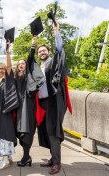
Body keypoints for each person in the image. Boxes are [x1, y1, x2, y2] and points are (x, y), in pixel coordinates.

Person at [36, 21, 71, 175]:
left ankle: (56, 163)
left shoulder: (53, 63)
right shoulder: (40, 67)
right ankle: (52, 157)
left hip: (54, 103)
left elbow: (60, 50)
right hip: (43, 103)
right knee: (45, 131)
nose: (42, 53)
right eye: (39, 52)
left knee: (53, 132)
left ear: (48, 51)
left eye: (44, 50)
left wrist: (56, 32)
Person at [15, 36, 45, 168]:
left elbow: (31, 58)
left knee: (27, 132)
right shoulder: (16, 78)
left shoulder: (29, 76)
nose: (21, 64)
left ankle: (26, 157)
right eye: (19, 63)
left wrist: (33, 45)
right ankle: (26, 156)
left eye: (24, 63)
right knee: (20, 133)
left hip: (28, 108)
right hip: (18, 109)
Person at [0, 42, 18, 170]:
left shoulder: (8, 80)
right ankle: (9, 158)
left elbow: (10, 66)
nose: (1, 70)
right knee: (1, 133)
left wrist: (7, 52)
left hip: (5, 111)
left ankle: (5, 160)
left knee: (4, 134)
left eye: (3, 68)